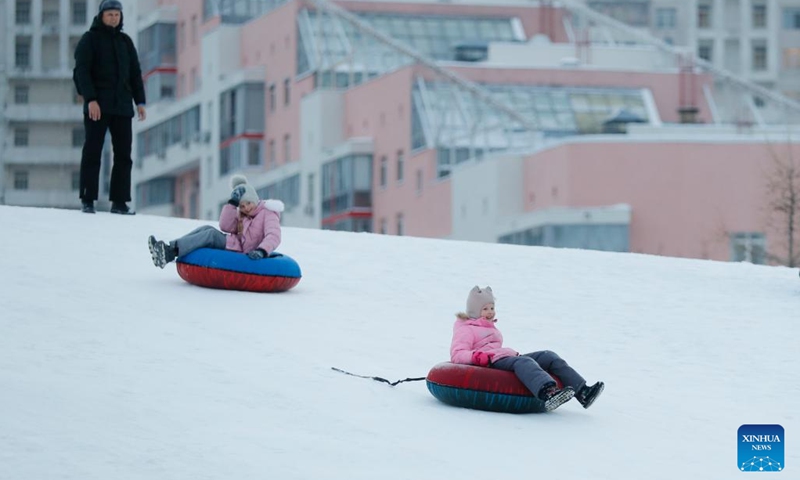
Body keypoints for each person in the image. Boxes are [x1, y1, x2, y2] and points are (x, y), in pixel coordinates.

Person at [450, 286, 604, 411]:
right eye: (485, 309)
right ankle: (548, 393)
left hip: (504, 355)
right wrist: (477, 357)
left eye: (492, 307)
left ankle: (583, 392)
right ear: (475, 311)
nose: (490, 312)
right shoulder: (466, 329)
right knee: (523, 362)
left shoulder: (489, 327)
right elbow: (457, 354)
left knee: (548, 356)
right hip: (490, 361)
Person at [73, 0, 146, 215]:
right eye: (110, 14)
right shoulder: (90, 40)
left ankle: (120, 202)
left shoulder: (125, 43)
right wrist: (91, 99)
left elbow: (135, 74)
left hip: (122, 106)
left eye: (117, 15)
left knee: (124, 154)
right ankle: (88, 199)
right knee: (92, 152)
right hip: (98, 106)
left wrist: (140, 102)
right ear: (101, 16)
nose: (114, 18)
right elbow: (81, 72)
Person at [148, 175, 284, 268]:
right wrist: (232, 204)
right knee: (206, 228)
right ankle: (169, 249)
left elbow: (274, 235)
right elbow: (225, 226)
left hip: (248, 253)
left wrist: (262, 251)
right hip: (235, 244)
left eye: (248, 203)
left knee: (211, 235)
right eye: (242, 205)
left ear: (254, 199)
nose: (246, 208)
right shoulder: (243, 215)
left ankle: (171, 253)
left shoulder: (268, 212)